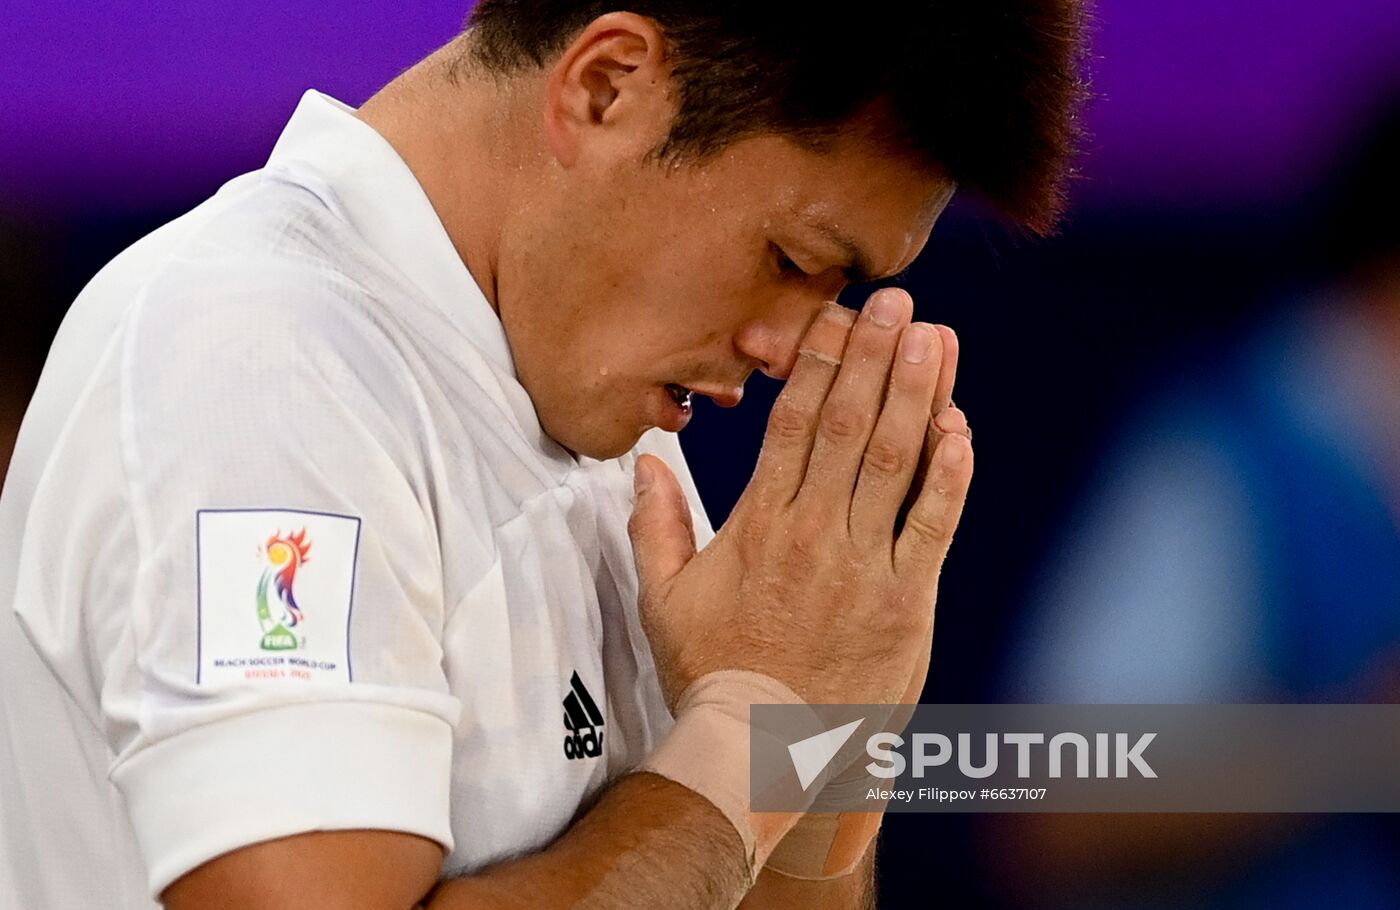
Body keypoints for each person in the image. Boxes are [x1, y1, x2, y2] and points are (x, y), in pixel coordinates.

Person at [0, 4, 1086, 908]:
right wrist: (746, 731)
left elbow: (724, 864)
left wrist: (821, 743)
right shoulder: (248, 360)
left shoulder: (591, 408)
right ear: (608, 87)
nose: (786, 346)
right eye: (791, 258)